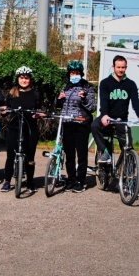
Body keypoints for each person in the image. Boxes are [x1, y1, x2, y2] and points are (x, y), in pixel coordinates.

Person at [0, 66, 45, 193]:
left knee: (30, 157)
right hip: (14, 128)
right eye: (21, 78)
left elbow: (41, 109)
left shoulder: (35, 94)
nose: (24, 80)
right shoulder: (12, 93)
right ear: (17, 79)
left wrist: (40, 114)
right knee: (10, 155)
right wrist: (3, 111)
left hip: (30, 129)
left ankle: (30, 182)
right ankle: (7, 181)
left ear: (30, 79)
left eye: (26, 78)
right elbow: (5, 109)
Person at [56, 61, 96, 193]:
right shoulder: (65, 87)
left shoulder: (87, 87)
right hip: (67, 123)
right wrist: (59, 99)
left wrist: (84, 98)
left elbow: (92, 107)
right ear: (69, 74)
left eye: (77, 73)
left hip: (81, 123)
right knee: (69, 154)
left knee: (81, 153)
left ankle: (81, 181)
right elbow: (58, 105)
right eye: (72, 73)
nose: (74, 75)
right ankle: (71, 179)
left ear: (81, 73)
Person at [92, 54, 139, 165]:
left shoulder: (130, 84)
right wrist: (104, 114)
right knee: (94, 125)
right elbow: (104, 100)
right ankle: (104, 152)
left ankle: (128, 171)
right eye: (118, 67)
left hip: (121, 119)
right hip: (107, 116)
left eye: (123, 67)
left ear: (126, 67)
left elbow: (136, 102)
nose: (121, 70)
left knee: (127, 145)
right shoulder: (105, 83)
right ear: (114, 67)